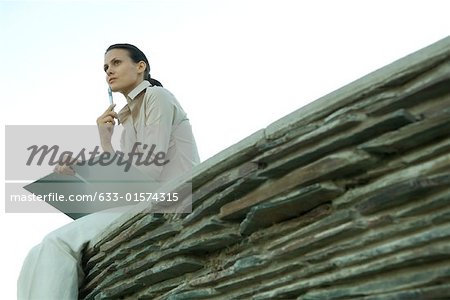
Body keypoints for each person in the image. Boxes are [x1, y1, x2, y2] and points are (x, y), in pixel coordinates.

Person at [17, 43, 200, 299]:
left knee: (55, 243)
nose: (108, 71)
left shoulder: (158, 97)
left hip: (170, 200)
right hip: (141, 202)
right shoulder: (126, 124)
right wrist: (83, 168)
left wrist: (95, 157)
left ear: (140, 67)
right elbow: (125, 184)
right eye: (105, 67)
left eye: (116, 63)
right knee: (36, 253)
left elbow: (147, 171)